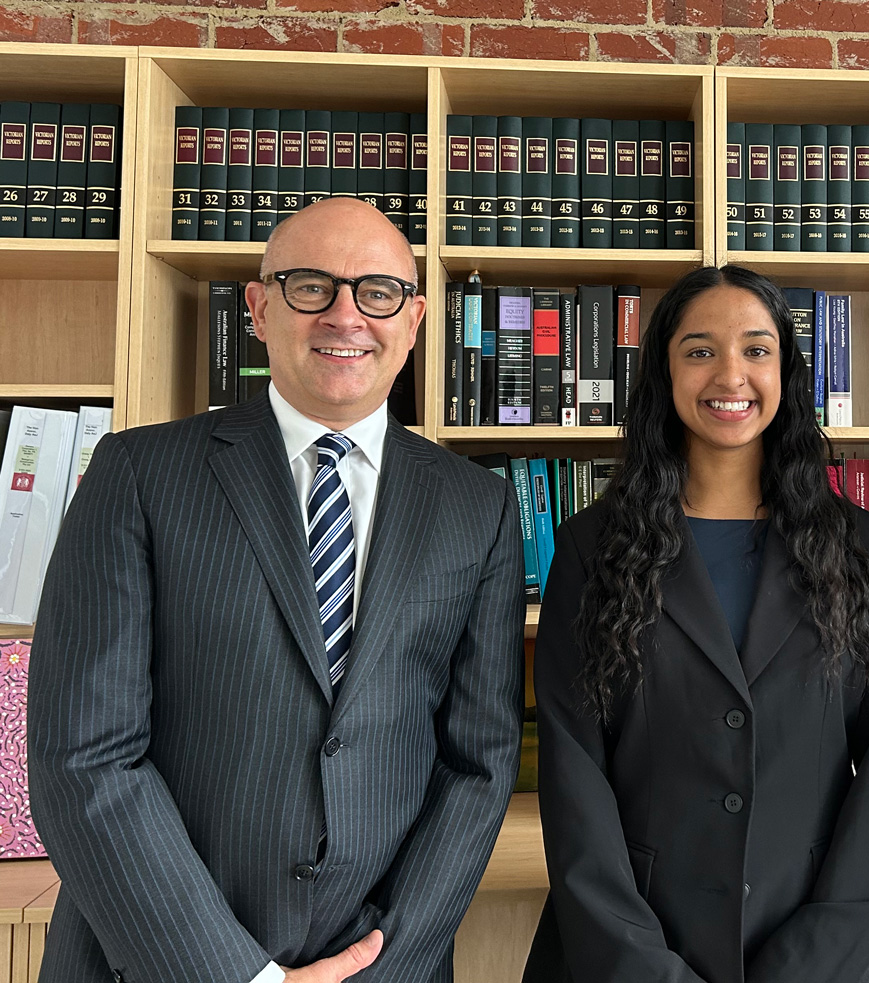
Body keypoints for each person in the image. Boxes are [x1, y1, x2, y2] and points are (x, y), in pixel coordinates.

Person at [29, 197, 525, 983]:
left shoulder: (479, 507)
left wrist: (380, 964)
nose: (346, 315)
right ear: (257, 308)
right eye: (310, 287)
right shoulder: (136, 474)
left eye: (377, 291)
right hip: (160, 961)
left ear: (416, 318)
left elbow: (478, 760)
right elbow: (84, 756)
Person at [522, 264, 869, 983]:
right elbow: (573, 781)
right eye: (700, 349)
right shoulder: (591, 549)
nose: (730, 374)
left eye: (757, 349)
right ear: (664, 374)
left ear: (787, 372)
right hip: (626, 953)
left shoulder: (861, 544)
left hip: (824, 953)